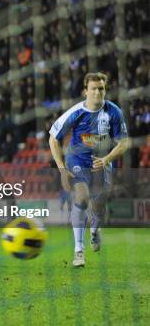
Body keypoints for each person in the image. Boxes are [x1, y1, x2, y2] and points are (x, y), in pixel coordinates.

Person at [48, 72, 130, 268]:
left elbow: (124, 142)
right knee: (82, 199)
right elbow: (53, 138)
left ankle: (94, 231)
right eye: (93, 88)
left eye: (101, 88)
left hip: (102, 163)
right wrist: (61, 170)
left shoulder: (114, 112)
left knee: (99, 205)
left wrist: (107, 159)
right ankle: (78, 250)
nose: (97, 92)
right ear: (85, 91)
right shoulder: (75, 112)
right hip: (77, 161)